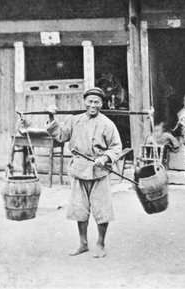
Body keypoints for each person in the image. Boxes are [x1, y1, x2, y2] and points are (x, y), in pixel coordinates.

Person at [45, 87, 122, 257]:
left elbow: (116, 147)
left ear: (102, 104)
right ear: (84, 102)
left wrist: (106, 158)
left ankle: (100, 243)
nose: (93, 105)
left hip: (99, 171)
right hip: (79, 170)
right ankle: (83, 243)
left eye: (96, 102)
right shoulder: (74, 120)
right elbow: (60, 135)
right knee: (80, 209)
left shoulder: (107, 124)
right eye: (90, 101)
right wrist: (52, 117)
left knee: (102, 210)